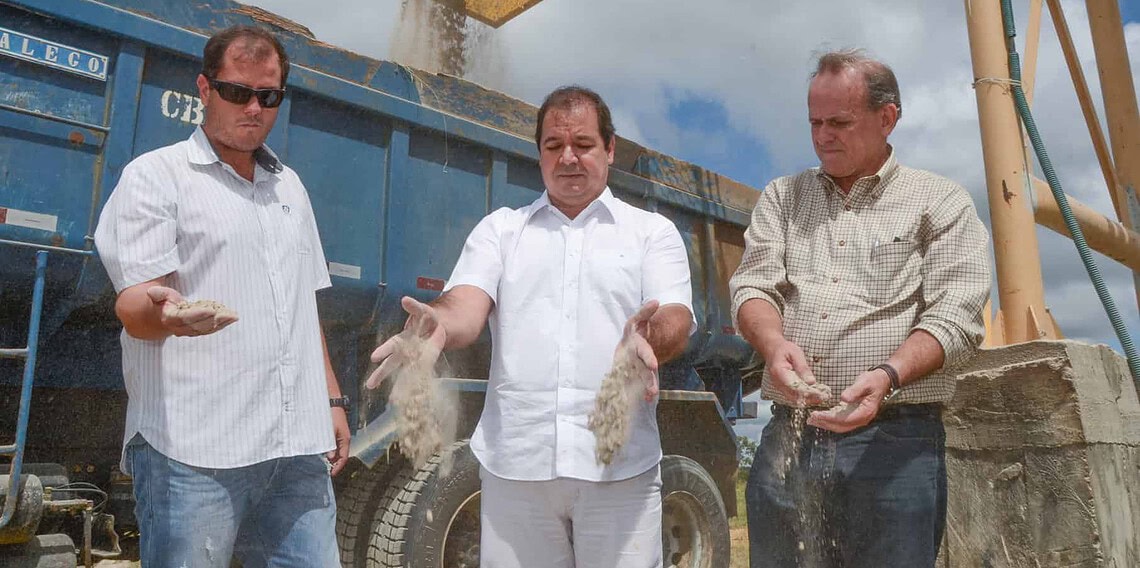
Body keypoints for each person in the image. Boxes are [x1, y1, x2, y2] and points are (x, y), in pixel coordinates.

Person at [368, 85, 695, 568]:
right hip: (515, 472)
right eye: (553, 146)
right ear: (538, 153)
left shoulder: (651, 233)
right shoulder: (502, 230)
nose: (567, 158)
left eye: (583, 145)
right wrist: (438, 324)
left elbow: (676, 316)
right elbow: (466, 304)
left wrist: (645, 339)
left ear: (610, 150)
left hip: (618, 472)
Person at [94, 25, 349, 567]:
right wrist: (168, 318)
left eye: (268, 96)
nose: (253, 108)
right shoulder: (157, 178)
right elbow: (134, 306)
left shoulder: (290, 188)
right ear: (205, 90)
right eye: (238, 92)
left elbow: (304, 307)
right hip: (195, 453)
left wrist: (329, 399)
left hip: (296, 450)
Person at [729, 49, 990, 567]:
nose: (824, 135)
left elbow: (956, 317)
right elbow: (753, 287)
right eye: (815, 122)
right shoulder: (783, 197)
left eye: (840, 122)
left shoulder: (939, 201)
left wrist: (887, 376)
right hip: (791, 432)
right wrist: (774, 343)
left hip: (896, 438)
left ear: (887, 116)